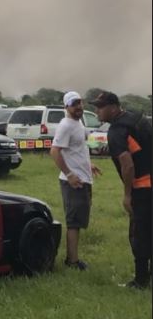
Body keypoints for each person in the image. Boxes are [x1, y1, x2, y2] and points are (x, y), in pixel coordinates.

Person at [90, 91, 152, 289]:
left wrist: (127, 194)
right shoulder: (137, 117)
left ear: (114, 107)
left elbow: (128, 165)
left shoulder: (116, 131)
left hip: (142, 188)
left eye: (100, 107)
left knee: (138, 234)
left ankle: (141, 281)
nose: (97, 111)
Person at [50, 91, 101, 270]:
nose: (78, 106)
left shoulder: (78, 122)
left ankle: (73, 258)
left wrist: (90, 164)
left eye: (80, 102)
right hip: (73, 181)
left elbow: (77, 149)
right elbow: (54, 151)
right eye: (74, 104)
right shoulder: (66, 125)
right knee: (73, 222)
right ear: (67, 107)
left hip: (83, 177)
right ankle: (72, 261)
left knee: (78, 220)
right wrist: (69, 174)